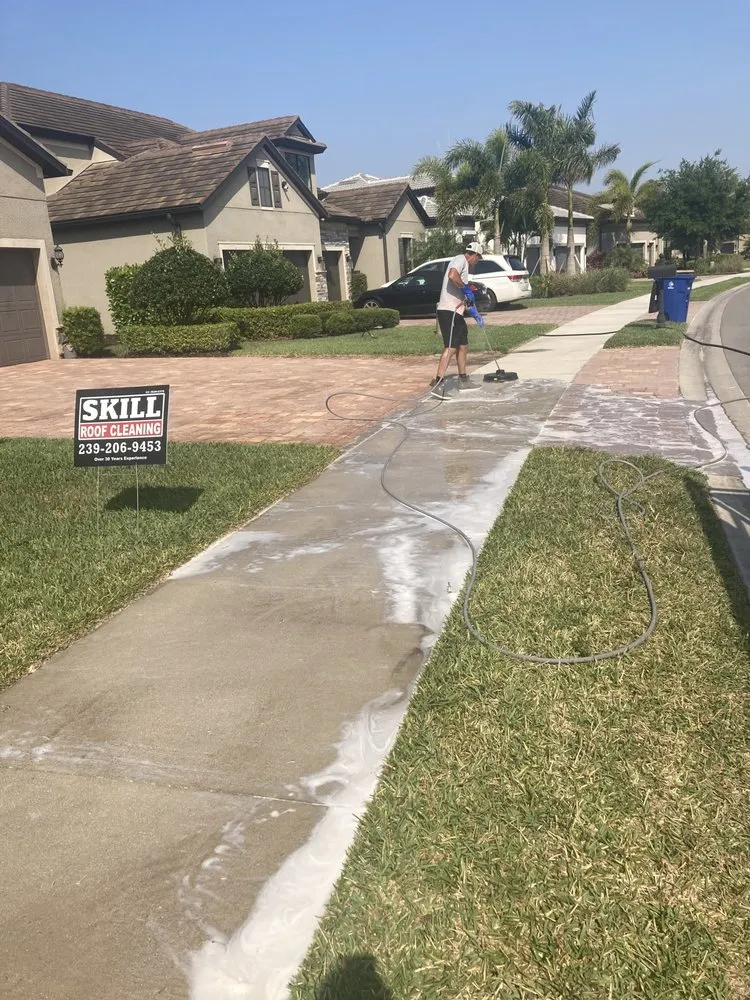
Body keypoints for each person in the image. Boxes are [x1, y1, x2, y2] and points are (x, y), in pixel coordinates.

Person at [430, 241, 484, 399]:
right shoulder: (460, 259)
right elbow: (452, 275)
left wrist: (475, 313)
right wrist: (466, 289)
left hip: (457, 312)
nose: (477, 262)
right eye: (478, 259)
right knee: (451, 346)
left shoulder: (465, 268)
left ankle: (463, 379)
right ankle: (438, 384)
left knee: (463, 345)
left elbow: (463, 297)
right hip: (447, 311)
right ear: (473, 255)